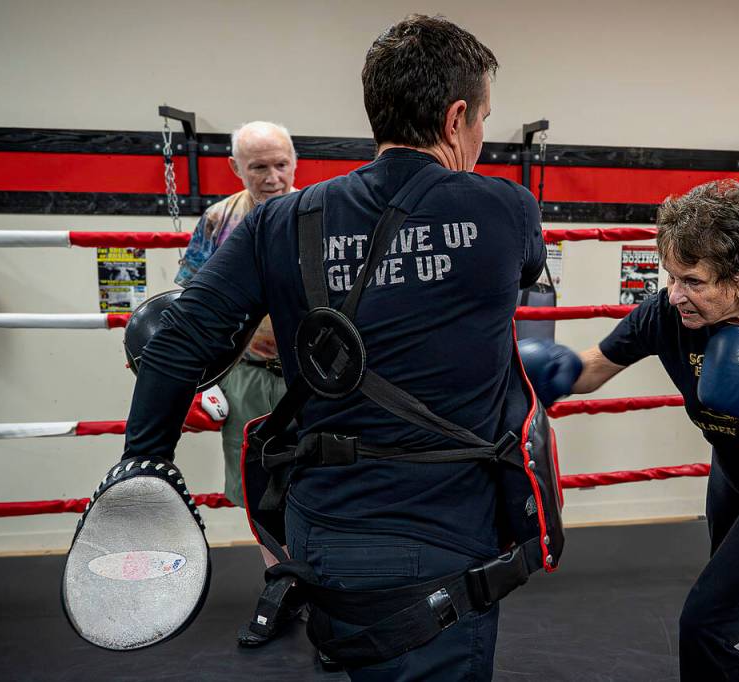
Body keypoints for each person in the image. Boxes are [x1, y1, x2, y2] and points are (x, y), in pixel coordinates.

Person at [123, 14, 545, 680]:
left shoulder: (281, 220)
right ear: (456, 118)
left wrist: (141, 470)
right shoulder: (508, 208)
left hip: (320, 536)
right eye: (484, 119)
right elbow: (523, 274)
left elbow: (176, 342)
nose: (484, 137)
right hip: (443, 540)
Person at [520, 179, 739, 681]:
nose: (675, 295)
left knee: (706, 622)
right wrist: (546, 372)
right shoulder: (668, 313)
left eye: (693, 281)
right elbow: (595, 365)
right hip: (735, 469)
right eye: (670, 276)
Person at [174, 121, 296, 525]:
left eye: (281, 164)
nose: (273, 178)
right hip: (245, 375)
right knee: (256, 488)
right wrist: (200, 381)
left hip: (312, 375)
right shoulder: (218, 219)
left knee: (319, 478)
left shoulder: (322, 213)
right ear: (235, 167)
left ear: (295, 162)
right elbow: (192, 307)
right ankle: (277, 577)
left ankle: (317, 579)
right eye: (259, 167)